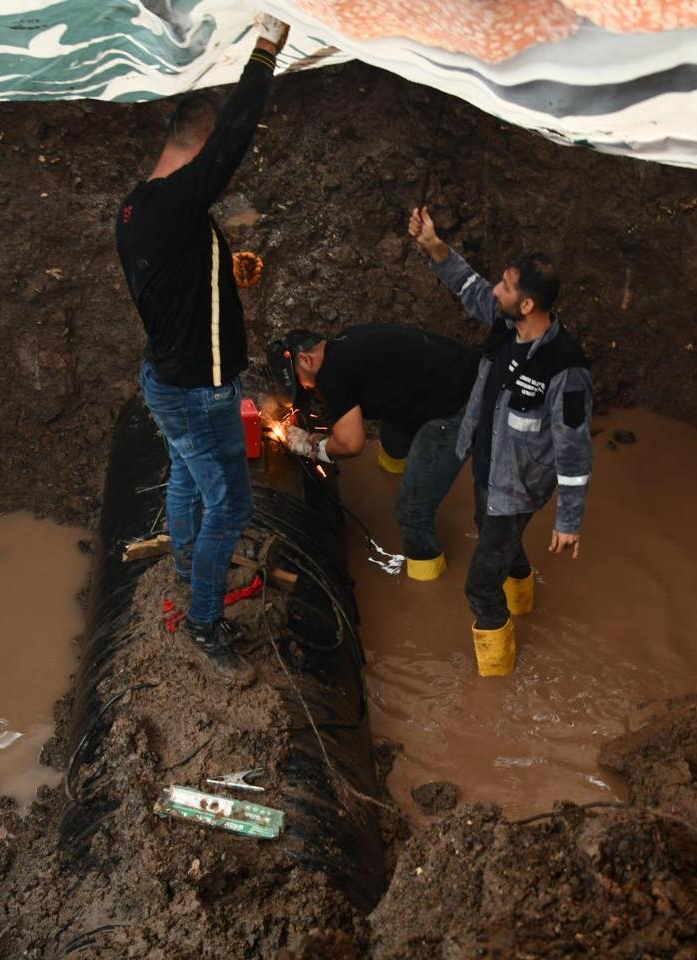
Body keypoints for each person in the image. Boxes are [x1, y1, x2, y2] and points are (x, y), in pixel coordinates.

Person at [115, 14, 289, 685]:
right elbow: (234, 146)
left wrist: (223, 273)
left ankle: (189, 565)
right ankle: (204, 622)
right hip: (196, 392)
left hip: (170, 378)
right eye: (209, 157)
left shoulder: (138, 207)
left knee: (188, 479)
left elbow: (181, 270)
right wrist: (264, 55)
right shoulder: (173, 203)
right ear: (198, 146)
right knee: (231, 506)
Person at [408, 206, 594, 677]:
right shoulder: (505, 323)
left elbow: (573, 448)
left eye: (506, 286)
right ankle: (524, 597)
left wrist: (569, 520)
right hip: (489, 462)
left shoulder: (564, 368)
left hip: (521, 485)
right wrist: (433, 245)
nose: (496, 290)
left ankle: (496, 677)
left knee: (477, 587)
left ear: (528, 304)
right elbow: (469, 286)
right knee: (491, 530)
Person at [272, 324, 480, 579]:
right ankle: (398, 468)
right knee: (392, 438)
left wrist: (311, 444)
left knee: (411, 511)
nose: (307, 389)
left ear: (305, 359)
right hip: (453, 377)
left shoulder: (330, 373)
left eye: (301, 382)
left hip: (459, 407)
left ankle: (426, 576)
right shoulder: (345, 345)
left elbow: (351, 443)